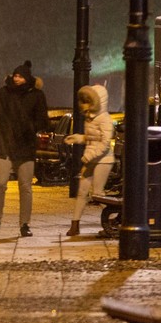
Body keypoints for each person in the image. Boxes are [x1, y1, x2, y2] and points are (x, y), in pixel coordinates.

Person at [0, 60, 49, 237]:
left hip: (25, 147)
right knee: (0, 184)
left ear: (27, 78)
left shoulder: (36, 95)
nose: (17, 79)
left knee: (26, 187)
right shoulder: (4, 93)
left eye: (20, 76)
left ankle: (24, 224)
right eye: (15, 75)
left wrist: (30, 127)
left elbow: (43, 120)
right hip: (4, 145)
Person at [63, 84, 116, 237]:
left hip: (104, 160)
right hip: (92, 158)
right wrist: (78, 138)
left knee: (98, 194)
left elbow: (105, 143)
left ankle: (113, 220)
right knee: (82, 191)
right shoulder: (89, 118)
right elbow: (91, 138)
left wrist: (89, 156)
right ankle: (75, 225)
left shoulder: (105, 119)